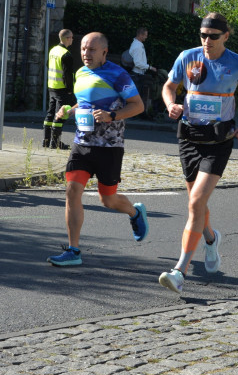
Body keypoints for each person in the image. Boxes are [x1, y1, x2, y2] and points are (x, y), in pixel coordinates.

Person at [159, 13, 238, 293]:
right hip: (190, 137)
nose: (207, 41)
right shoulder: (187, 57)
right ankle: (210, 239)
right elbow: (170, 86)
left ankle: (179, 271)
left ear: (226, 36)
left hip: (219, 139)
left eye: (213, 36)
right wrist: (171, 104)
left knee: (195, 203)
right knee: (197, 203)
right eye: (203, 35)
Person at [47, 32, 150, 267]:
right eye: (83, 49)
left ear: (104, 51)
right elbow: (84, 104)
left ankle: (135, 213)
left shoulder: (118, 75)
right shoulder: (81, 73)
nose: (86, 53)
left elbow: (138, 106)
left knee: (108, 200)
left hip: (109, 147)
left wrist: (111, 115)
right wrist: (69, 110)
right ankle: (74, 250)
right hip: (81, 144)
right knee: (72, 192)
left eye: (92, 50)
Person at [43, 28, 76, 149]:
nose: (72, 39)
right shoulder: (66, 54)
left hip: (52, 86)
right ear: (67, 38)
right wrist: (70, 90)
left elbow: (48, 65)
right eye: (71, 37)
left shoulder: (53, 50)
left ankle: (46, 141)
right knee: (60, 114)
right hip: (62, 88)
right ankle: (55, 143)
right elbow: (67, 75)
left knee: (51, 113)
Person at [128, 27, 160, 117]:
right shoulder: (138, 46)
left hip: (136, 74)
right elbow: (138, 63)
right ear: (140, 35)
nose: (146, 37)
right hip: (136, 74)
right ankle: (134, 115)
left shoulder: (136, 44)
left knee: (135, 96)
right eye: (145, 35)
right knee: (136, 97)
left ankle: (134, 114)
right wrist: (150, 67)